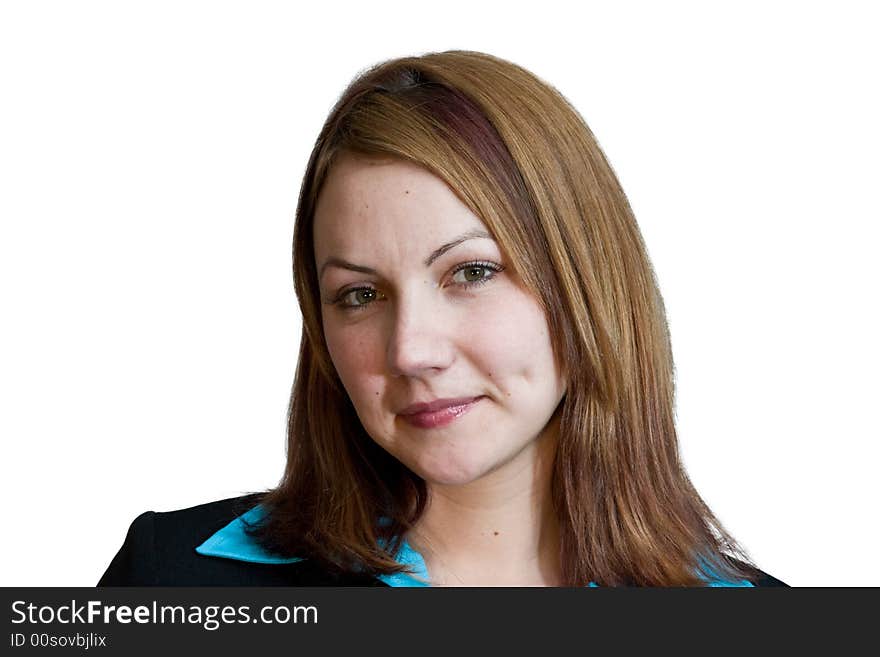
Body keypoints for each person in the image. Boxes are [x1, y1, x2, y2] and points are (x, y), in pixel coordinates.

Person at [99, 50, 786, 587]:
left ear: (586, 285)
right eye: (360, 295)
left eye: (472, 273)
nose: (410, 350)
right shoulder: (173, 583)